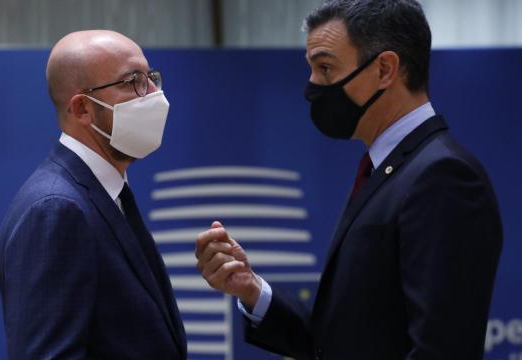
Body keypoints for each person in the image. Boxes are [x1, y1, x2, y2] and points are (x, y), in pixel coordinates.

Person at [195, 1, 503, 359]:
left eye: (325, 67)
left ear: (385, 69)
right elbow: (342, 340)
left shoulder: (443, 177)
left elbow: (442, 350)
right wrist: (252, 290)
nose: (312, 87)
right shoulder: (387, 169)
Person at [0, 30, 186, 359]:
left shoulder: (106, 194)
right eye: (133, 81)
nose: (153, 93)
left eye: (151, 77)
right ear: (82, 108)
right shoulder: (56, 209)